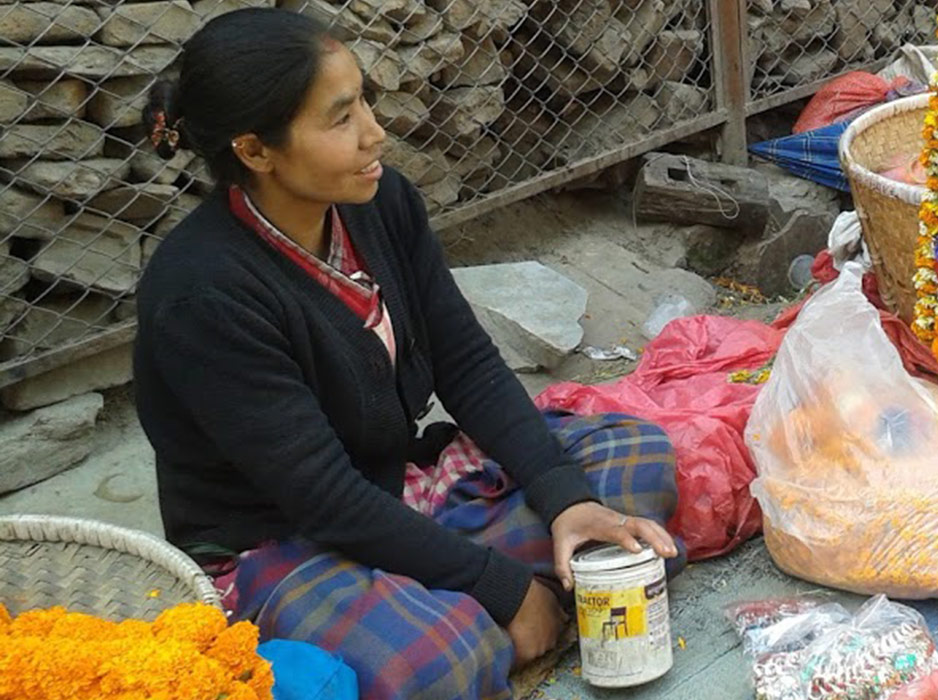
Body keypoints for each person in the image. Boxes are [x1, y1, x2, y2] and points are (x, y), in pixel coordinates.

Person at [132, 9, 682, 699]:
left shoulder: (379, 201)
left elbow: (468, 363)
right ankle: (479, 609)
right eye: (339, 119)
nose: (375, 131)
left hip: (395, 486)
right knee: (436, 662)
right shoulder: (202, 294)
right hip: (282, 538)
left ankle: (467, 598)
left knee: (635, 462)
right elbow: (325, 500)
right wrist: (500, 586)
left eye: (365, 99)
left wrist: (566, 500)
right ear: (255, 150)